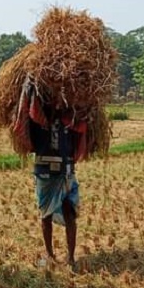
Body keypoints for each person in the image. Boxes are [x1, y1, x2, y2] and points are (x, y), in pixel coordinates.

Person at [14, 80, 89, 272]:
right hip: (45, 172)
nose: (57, 100)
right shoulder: (38, 117)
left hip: (66, 171)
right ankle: (49, 254)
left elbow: (82, 128)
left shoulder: (71, 118)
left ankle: (71, 257)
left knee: (70, 212)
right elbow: (27, 116)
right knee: (45, 214)